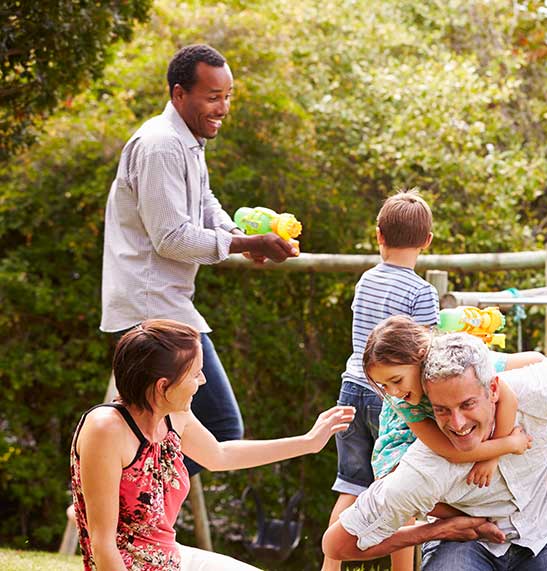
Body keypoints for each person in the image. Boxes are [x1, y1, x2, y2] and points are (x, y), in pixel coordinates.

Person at [100, 44, 297, 477]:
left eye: (228, 96)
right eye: (213, 97)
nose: (223, 108)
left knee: (153, 433)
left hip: (163, 307)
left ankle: (125, 512)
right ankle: (124, 505)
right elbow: (170, 238)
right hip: (151, 312)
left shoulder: (187, 141)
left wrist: (243, 237)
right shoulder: (160, 146)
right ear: (178, 94)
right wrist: (248, 245)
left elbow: (205, 204)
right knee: (222, 428)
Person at [322, 326, 547, 570]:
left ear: (491, 389)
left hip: (543, 531)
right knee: (413, 493)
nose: (458, 422)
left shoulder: (531, 386)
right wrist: (440, 530)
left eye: (467, 404)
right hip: (458, 537)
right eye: (442, 410)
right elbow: (336, 544)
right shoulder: (420, 445)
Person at [70, 319, 354, 571]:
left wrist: (307, 442)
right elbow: (103, 545)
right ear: (162, 386)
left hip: (170, 558)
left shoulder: (174, 415)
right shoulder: (106, 429)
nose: (202, 381)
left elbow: (220, 454)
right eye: (195, 374)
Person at [323, 189, 440, 571]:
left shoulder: (366, 280)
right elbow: (424, 356)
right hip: (392, 397)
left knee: (350, 485)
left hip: (352, 388)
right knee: (400, 489)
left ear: (379, 235)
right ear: (427, 241)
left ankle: (330, 566)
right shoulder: (422, 292)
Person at [363, 315, 547, 488]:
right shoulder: (401, 402)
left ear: (420, 357)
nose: (393, 392)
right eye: (383, 385)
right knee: (392, 484)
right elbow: (449, 451)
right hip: (410, 431)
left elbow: (507, 397)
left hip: (464, 369)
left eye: (397, 381)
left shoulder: (456, 368)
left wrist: (492, 457)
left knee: (538, 362)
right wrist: (509, 444)